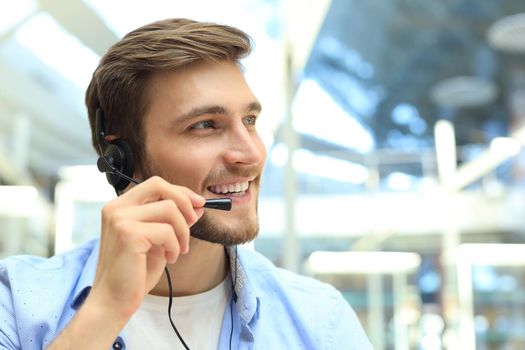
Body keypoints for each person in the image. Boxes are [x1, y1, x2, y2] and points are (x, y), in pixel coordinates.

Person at [0, 18, 372, 349]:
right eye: (205, 125)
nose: (252, 154)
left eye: (250, 120)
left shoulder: (320, 321)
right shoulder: (16, 300)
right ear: (122, 158)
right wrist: (104, 310)